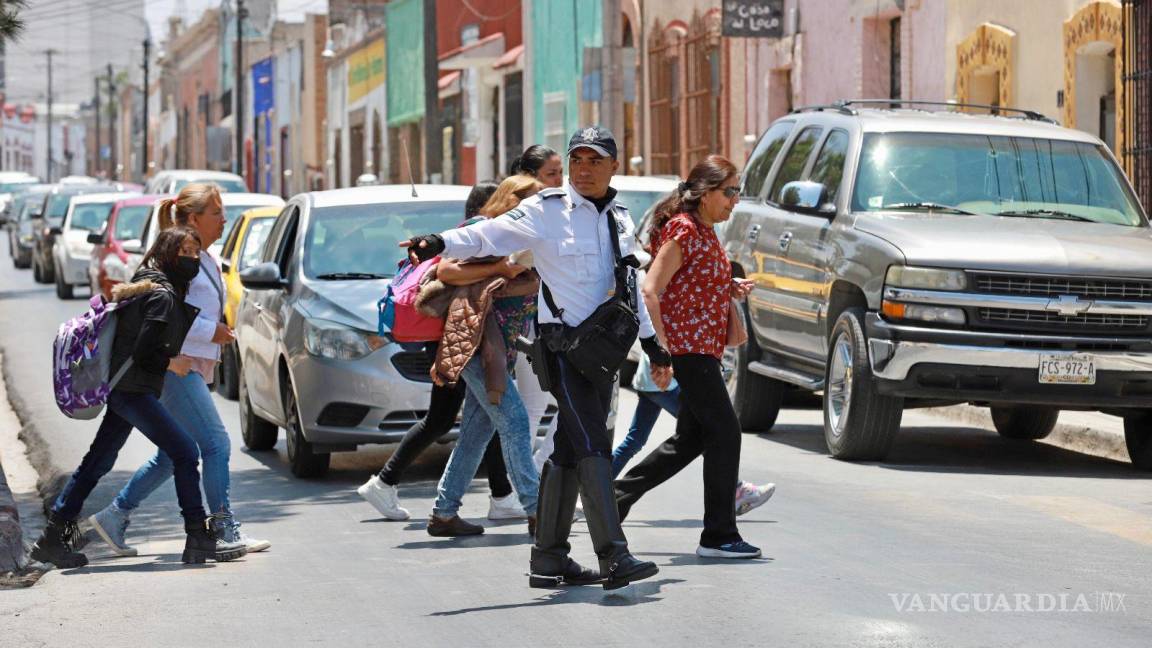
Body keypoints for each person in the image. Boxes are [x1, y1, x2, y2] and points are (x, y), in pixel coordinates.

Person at [403, 126, 667, 590]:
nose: (583, 170)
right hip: (564, 350)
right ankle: (615, 556)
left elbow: (630, 290)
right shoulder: (546, 212)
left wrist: (652, 344)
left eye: (594, 161)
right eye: (577, 160)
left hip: (603, 354)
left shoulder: (622, 219)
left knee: (567, 452)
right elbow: (489, 234)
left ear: (613, 166)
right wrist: (437, 243)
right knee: (592, 445)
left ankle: (549, 560)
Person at [31, 227, 247, 567]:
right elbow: (145, 350)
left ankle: (51, 539)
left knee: (98, 462)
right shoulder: (162, 295)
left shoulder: (150, 282)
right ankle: (197, 534)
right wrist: (172, 362)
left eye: (195, 252)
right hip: (133, 390)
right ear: (168, 254)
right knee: (185, 451)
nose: (191, 259)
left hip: (124, 388)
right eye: (185, 253)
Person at [87, 183, 269, 557]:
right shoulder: (180, 260)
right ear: (192, 218)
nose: (223, 220)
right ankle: (222, 528)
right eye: (216, 213)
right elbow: (166, 314)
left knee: (172, 455)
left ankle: (115, 515)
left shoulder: (206, 258)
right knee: (216, 443)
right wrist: (210, 331)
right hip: (175, 366)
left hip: (192, 363)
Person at [614, 155, 764, 559]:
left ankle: (613, 499)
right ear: (705, 192)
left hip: (703, 349)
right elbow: (650, 289)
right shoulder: (683, 229)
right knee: (726, 432)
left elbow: (691, 280)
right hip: (688, 350)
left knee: (690, 439)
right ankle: (718, 535)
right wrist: (660, 351)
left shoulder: (704, 230)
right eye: (730, 191)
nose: (735, 200)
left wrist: (726, 285)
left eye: (738, 191)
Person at [357, 181, 524, 523]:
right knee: (460, 416)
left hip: (458, 335)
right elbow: (449, 273)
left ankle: (501, 495)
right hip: (458, 337)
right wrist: (498, 269)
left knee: (465, 417)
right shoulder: (477, 236)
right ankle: (386, 482)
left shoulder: (472, 234)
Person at [424, 174, 547, 536]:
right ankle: (538, 512)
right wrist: (498, 268)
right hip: (478, 343)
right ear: (512, 202)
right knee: (516, 422)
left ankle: (444, 513)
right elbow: (443, 269)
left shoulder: (529, 238)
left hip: (499, 348)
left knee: (477, 433)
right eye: (531, 205)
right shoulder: (486, 229)